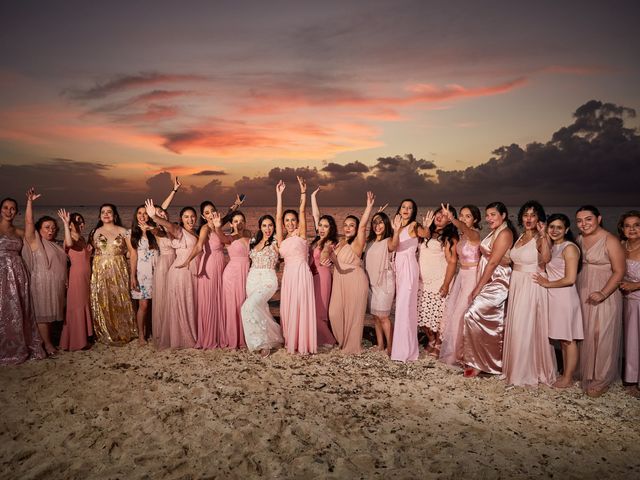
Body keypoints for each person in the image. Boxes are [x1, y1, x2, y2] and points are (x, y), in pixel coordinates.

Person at [175, 196, 243, 349]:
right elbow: (199, 247)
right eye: (207, 212)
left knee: (220, 299)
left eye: (212, 210)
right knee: (210, 300)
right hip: (210, 265)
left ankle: (220, 333)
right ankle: (209, 336)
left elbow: (229, 214)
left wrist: (236, 205)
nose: (211, 214)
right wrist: (188, 260)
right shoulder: (205, 228)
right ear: (203, 216)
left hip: (221, 264)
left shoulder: (218, 223)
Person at [502, 201, 556, 386]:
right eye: (526, 215)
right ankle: (514, 368)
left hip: (532, 284)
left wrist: (543, 235)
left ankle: (526, 371)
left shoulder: (541, 237)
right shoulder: (521, 236)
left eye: (533, 215)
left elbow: (547, 259)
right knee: (516, 324)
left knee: (525, 326)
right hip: (517, 283)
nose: (529, 219)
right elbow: (510, 259)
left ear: (539, 218)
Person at [575, 205, 625, 396]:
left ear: (599, 218)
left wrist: (603, 293)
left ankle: (601, 378)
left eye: (588, 219)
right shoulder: (579, 239)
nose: (584, 224)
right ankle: (586, 371)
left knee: (601, 333)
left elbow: (620, 271)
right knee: (586, 331)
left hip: (604, 290)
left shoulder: (610, 240)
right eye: (579, 220)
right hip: (583, 288)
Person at [463, 202, 516, 377]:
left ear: (504, 215)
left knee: (472, 314)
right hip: (489, 278)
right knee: (487, 321)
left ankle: (488, 362)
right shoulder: (495, 232)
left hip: (498, 281)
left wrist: (478, 287)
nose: (489, 218)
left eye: (493, 214)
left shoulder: (505, 233)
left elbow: (493, 262)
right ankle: (479, 362)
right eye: (487, 215)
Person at [533, 213, 584, 388]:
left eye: (559, 227)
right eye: (552, 227)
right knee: (562, 339)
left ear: (567, 230)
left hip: (565, 298)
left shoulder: (569, 248)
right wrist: (542, 234)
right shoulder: (553, 246)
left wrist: (547, 284)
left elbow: (570, 279)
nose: (555, 230)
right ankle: (565, 374)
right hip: (554, 297)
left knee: (569, 340)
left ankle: (568, 378)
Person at [146, 200, 199, 349]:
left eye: (192, 216)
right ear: (181, 219)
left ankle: (191, 332)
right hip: (180, 271)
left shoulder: (194, 231)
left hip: (191, 271)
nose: (190, 219)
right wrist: (155, 218)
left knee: (190, 302)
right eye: (186, 217)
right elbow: (168, 226)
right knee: (181, 304)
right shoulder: (178, 230)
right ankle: (183, 337)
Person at [328, 192, 375, 354]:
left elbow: (363, 227)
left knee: (353, 315)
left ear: (356, 229)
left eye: (351, 225)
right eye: (346, 225)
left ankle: (352, 346)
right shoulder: (341, 242)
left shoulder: (358, 242)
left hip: (355, 280)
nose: (348, 227)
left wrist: (368, 207)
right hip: (340, 280)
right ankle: (343, 341)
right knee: (334, 313)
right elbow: (335, 261)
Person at [0, 196, 45, 364]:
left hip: (18, 274)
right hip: (1, 273)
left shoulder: (18, 231)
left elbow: (30, 226)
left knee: (18, 310)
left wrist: (29, 203)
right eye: (5, 207)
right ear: (0, 209)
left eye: (12, 208)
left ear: (16, 212)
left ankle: (19, 344)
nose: (9, 211)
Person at [22, 188, 67, 355]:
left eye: (53, 228)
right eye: (47, 227)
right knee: (43, 313)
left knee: (51, 314)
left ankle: (49, 340)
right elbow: (28, 222)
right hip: (41, 283)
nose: (51, 230)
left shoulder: (55, 244)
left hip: (55, 283)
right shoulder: (35, 241)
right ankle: (47, 344)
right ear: (39, 229)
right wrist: (29, 203)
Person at [276, 177, 316, 355]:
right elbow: (277, 218)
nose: (290, 223)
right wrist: (279, 196)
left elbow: (302, 210)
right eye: (287, 221)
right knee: (289, 307)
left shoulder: (301, 234)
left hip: (301, 272)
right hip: (289, 275)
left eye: (293, 220)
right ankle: (291, 339)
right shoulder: (281, 239)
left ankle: (303, 342)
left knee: (301, 305)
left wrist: (303, 192)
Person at [89, 203, 137, 345]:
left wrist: (133, 274)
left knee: (120, 298)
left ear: (115, 215)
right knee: (103, 300)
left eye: (109, 212)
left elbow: (132, 252)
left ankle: (124, 330)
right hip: (100, 271)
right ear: (99, 216)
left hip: (118, 268)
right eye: (103, 212)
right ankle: (106, 331)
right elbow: (91, 252)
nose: (106, 214)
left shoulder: (124, 231)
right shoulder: (95, 232)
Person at [439, 204, 481, 367]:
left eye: (468, 216)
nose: (463, 219)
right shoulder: (463, 236)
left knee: (461, 315)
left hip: (471, 276)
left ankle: (464, 355)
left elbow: (462, 226)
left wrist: (453, 219)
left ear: (475, 220)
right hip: (461, 276)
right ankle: (456, 353)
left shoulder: (474, 234)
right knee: (454, 312)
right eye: (462, 215)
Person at [416, 205, 458, 356]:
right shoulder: (426, 232)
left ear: (450, 221)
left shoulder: (449, 237)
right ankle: (431, 339)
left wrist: (446, 284)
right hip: (422, 281)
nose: (440, 216)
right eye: (439, 213)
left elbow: (452, 262)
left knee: (439, 315)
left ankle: (439, 343)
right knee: (422, 313)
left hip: (439, 280)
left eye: (445, 215)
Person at [241, 214, 284, 356]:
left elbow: (284, 256)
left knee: (248, 306)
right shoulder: (254, 242)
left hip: (268, 279)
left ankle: (264, 343)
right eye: (264, 225)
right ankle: (273, 338)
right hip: (252, 279)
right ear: (260, 226)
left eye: (270, 225)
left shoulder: (276, 242)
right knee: (262, 310)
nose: (267, 228)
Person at [150, 177, 181, 349]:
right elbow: (156, 227)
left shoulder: (171, 227)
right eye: (158, 214)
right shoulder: (156, 229)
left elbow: (163, 209)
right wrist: (153, 216)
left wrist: (174, 190)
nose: (161, 214)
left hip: (175, 263)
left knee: (174, 298)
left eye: (163, 212)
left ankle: (174, 330)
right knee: (163, 299)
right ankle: (163, 333)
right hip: (164, 264)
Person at [389, 199, 421, 362]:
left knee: (405, 307)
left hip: (408, 266)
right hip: (399, 267)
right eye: (403, 207)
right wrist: (394, 230)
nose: (406, 209)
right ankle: (403, 349)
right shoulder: (397, 226)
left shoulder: (414, 225)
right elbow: (391, 247)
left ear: (413, 211)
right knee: (401, 307)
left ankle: (404, 352)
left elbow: (425, 234)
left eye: (410, 208)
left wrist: (427, 228)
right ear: (399, 209)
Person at [57, 209, 93, 351]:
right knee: (76, 307)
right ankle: (77, 341)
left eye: (81, 221)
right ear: (71, 224)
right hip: (76, 277)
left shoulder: (83, 239)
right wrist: (65, 224)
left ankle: (84, 337)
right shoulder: (68, 238)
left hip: (86, 276)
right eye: (76, 221)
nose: (80, 223)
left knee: (84, 304)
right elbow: (70, 244)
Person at [215, 211, 251, 349]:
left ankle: (245, 336)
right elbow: (222, 238)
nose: (239, 223)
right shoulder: (230, 238)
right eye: (235, 221)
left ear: (245, 222)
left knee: (244, 305)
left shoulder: (249, 236)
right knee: (233, 306)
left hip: (246, 273)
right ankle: (233, 339)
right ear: (231, 224)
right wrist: (218, 227)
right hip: (232, 275)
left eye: (241, 220)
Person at [310, 187, 338, 347]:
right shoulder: (318, 239)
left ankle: (330, 340)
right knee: (313, 309)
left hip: (323, 277)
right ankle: (321, 338)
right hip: (313, 277)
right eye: (320, 225)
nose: (321, 228)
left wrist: (326, 253)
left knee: (319, 311)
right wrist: (313, 196)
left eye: (325, 226)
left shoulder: (329, 242)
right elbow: (316, 215)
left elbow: (326, 254)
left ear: (331, 229)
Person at [365, 212, 395, 355]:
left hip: (384, 282)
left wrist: (397, 229)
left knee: (383, 316)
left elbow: (395, 244)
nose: (377, 226)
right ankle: (380, 345)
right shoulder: (370, 242)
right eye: (375, 223)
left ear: (386, 224)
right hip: (371, 283)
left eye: (381, 222)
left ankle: (390, 347)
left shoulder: (389, 240)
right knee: (375, 316)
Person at [129, 205, 159, 345]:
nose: (142, 216)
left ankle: (154, 331)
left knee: (157, 304)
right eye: (139, 213)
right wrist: (132, 276)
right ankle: (141, 334)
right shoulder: (131, 234)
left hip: (157, 270)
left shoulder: (155, 231)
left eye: (145, 214)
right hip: (142, 272)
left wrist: (148, 231)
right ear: (136, 216)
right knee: (144, 305)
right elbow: (133, 256)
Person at [618, 210, 640, 397]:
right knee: (631, 340)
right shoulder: (621, 245)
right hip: (626, 301)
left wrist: (635, 285)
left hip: (639, 299)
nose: (632, 229)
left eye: (636, 225)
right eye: (628, 225)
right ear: (622, 229)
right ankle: (631, 378)